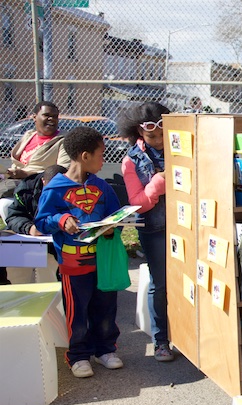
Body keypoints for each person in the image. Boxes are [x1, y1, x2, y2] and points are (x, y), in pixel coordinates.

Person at [35, 127, 123, 378]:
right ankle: (78, 355)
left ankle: (105, 349)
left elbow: (116, 215)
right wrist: (61, 219)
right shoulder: (55, 188)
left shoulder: (103, 187)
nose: (103, 160)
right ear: (85, 156)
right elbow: (42, 221)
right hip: (74, 265)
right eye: (100, 154)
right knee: (78, 312)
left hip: (103, 261)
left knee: (106, 307)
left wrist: (111, 228)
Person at [118, 101, 174, 362]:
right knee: (160, 284)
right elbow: (137, 203)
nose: (160, 140)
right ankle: (160, 341)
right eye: (152, 135)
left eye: (163, 133)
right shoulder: (131, 160)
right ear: (140, 133)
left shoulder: (180, 146)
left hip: (187, 226)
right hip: (155, 229)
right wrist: (159, 182)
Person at [0, 101, 70, 222]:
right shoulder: (28, 135)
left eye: (55, 116)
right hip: (14, 181)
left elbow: (63, 169)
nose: (51, 119)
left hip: (37, 185)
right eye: (47, 115)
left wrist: (26, 174)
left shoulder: (64, 140)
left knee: (5, 200)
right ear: (34, 117)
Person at [4, 164, 67, 284]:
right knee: (17, 270)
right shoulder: (27, 189)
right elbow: (14, 216)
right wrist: (29, 228)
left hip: (57, 243)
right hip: (28, 239)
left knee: (49, 272)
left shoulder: (74, 189)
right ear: (43, 182)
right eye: (52, 188)